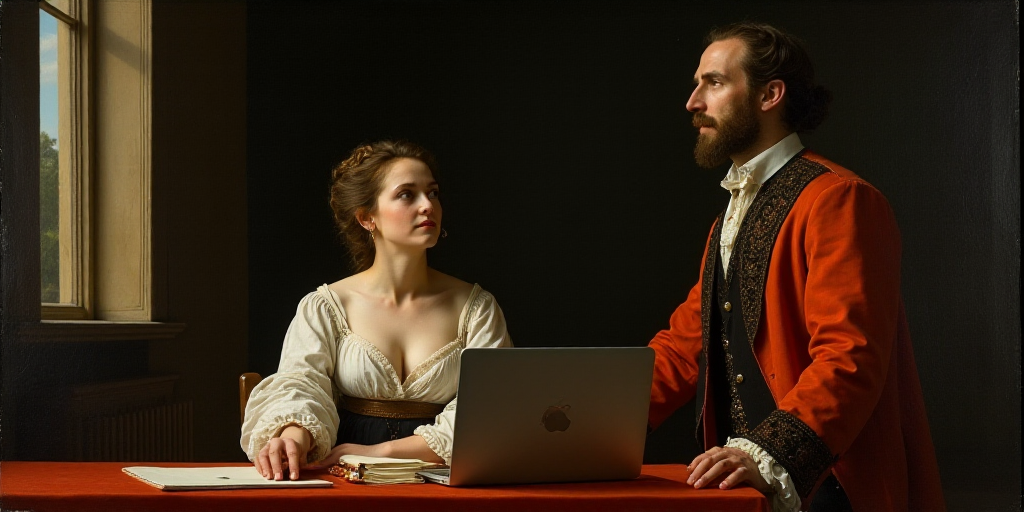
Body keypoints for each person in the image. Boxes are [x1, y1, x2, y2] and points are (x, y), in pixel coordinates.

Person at [646, 22, 945, 512]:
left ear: (770, 95)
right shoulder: (727, 218)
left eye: (714, 82)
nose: (693, 102)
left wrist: (765, 453)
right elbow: (683, 350)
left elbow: (849, 357)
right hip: (746, 494)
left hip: (834, 490)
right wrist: (577, 414)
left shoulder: (840, 199)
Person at [241, 140, 512, 481]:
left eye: (433, 193)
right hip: (344, 474)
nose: (428, 205)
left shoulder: (476, 307)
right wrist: (295, 435)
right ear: (367, 217)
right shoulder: (326, 306)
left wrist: (379, 452)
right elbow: (303, 384)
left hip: (441, 474)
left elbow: (490, 407)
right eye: (407, 194)